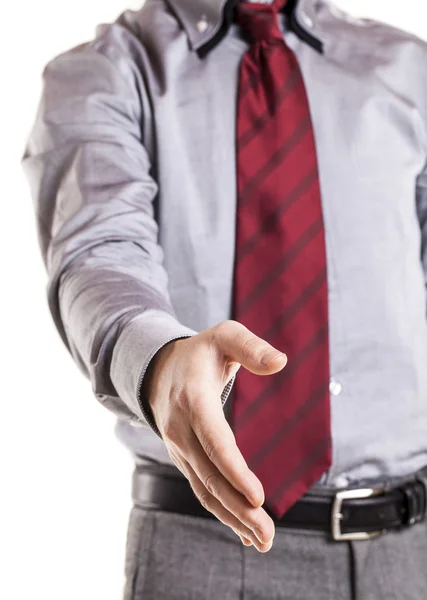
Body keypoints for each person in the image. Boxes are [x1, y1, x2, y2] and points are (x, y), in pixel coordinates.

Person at [22, 0, 427, 597]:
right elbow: (98, 253)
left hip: (409, 549)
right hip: (203, 548)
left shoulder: (407, 68)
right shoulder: (102, 74)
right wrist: (160, 362)